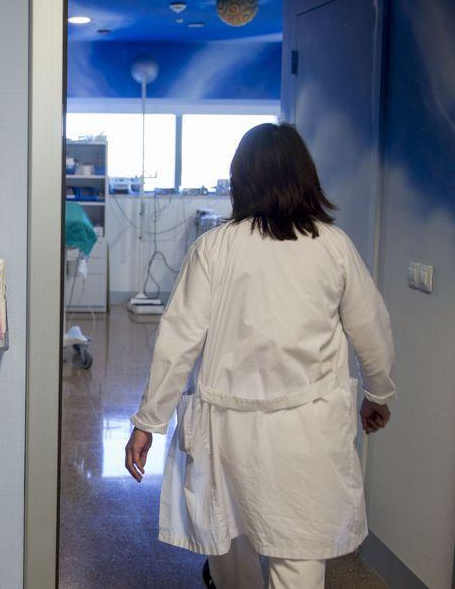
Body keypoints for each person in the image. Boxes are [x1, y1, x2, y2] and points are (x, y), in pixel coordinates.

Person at [124, 123, 395, 589]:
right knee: (300, 554)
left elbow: (177, 340)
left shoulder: (214, 248)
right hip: (306, 431)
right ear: (305, 177)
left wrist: (150, 420)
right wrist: (378, 392)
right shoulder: (334, 247)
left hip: (227, 430)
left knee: (228, 539)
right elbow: (371, 328)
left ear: (240, 180)